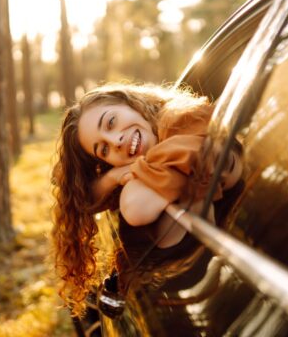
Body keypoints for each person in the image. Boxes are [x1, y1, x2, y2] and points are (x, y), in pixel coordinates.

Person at [51, 83, 242, 316]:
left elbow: (135, 208)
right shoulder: (151, 149)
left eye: (111, 122)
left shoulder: (182, 119)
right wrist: (114, 175)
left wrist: (131, 171)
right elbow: (79, 195)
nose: (116, 141)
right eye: (104, 150)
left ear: (133, 104)